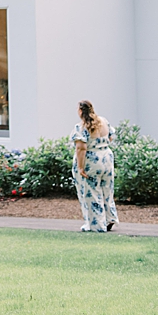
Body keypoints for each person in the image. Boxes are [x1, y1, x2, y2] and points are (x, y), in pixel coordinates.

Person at [72, 99, 118, 233]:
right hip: (106, 158)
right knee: (107, 190)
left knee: (91, 192)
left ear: (80, 111)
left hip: (92, 161)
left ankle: (96, 224)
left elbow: (81, 148)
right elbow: (111, 137)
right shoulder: (103, 121)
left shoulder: (80, 127)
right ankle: (110, 218)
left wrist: (80, 167)